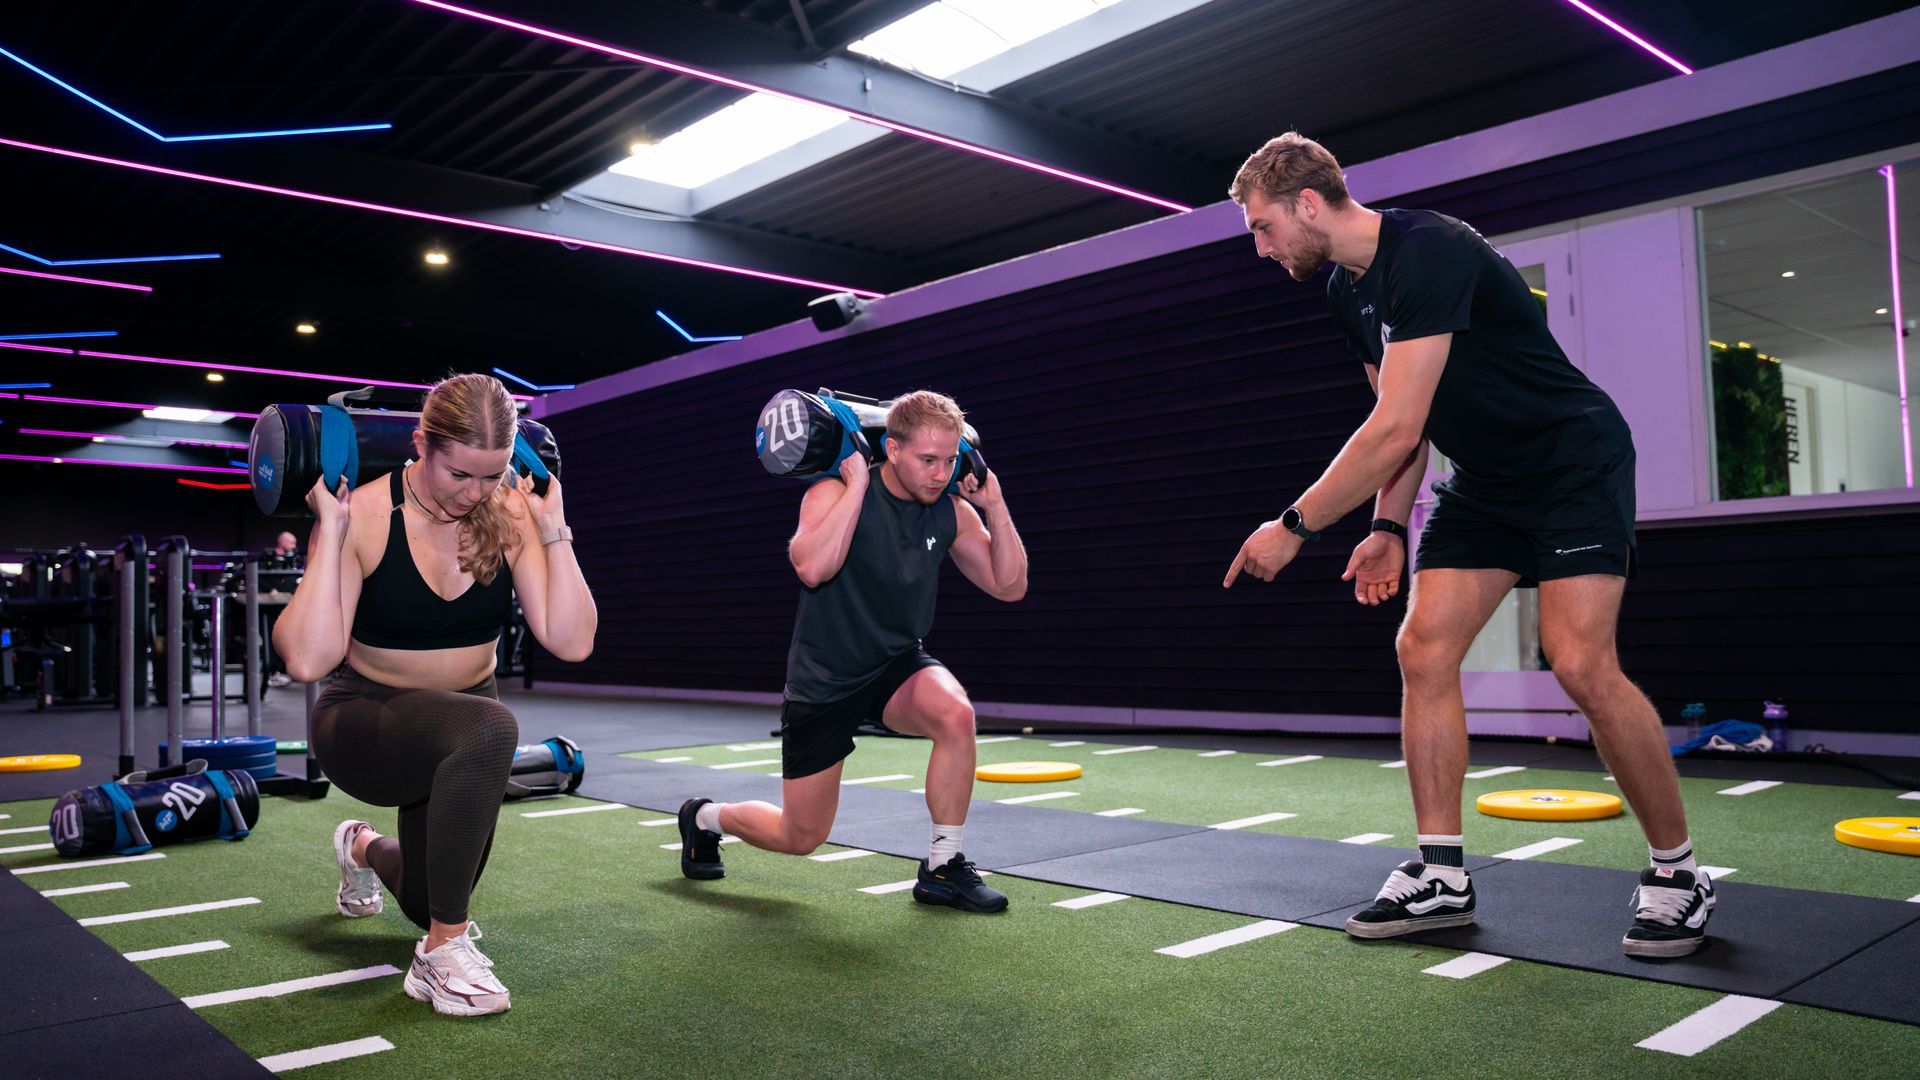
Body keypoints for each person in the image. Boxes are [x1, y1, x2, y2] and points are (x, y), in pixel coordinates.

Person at [1222, 133, 1714, 957]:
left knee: (1579, 660)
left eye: (1263, 227)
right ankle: (1442, 875)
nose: (1262, 247)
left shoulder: (1431, 250)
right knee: (1423, 647)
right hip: (1485, 480)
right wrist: (1384, 527)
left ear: (1307, 205)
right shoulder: (1348, 292)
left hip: (1570, 461)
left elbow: (1396, 428)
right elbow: (1399, 430)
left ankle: (1679, 873)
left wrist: (1295, 525)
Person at [273, 373, 597, 1015]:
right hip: (367, 722)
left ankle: (360, 846)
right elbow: (308, 659)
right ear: (421, 444)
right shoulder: (362, 512)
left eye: (493, 474)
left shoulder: (509, 512)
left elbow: (572, 640)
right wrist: (329, 535)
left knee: (425, 895)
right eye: (460, 475)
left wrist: (554, 529)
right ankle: (440, 954)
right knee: (491, 726)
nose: (476, 492)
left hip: (457, 738)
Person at [678, 390, 1028, 913]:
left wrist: (995, 506)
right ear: (891, 448)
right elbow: (813, 568)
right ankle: (704, 817)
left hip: (895, 664)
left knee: (955, 714)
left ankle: (941, 867)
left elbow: (1009, 585)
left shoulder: (952, 511)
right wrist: (857, 484)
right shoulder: (831, 492)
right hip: (826, 679)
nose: (940, 473)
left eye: (950, 459)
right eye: (927, 459)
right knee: (800, 835)